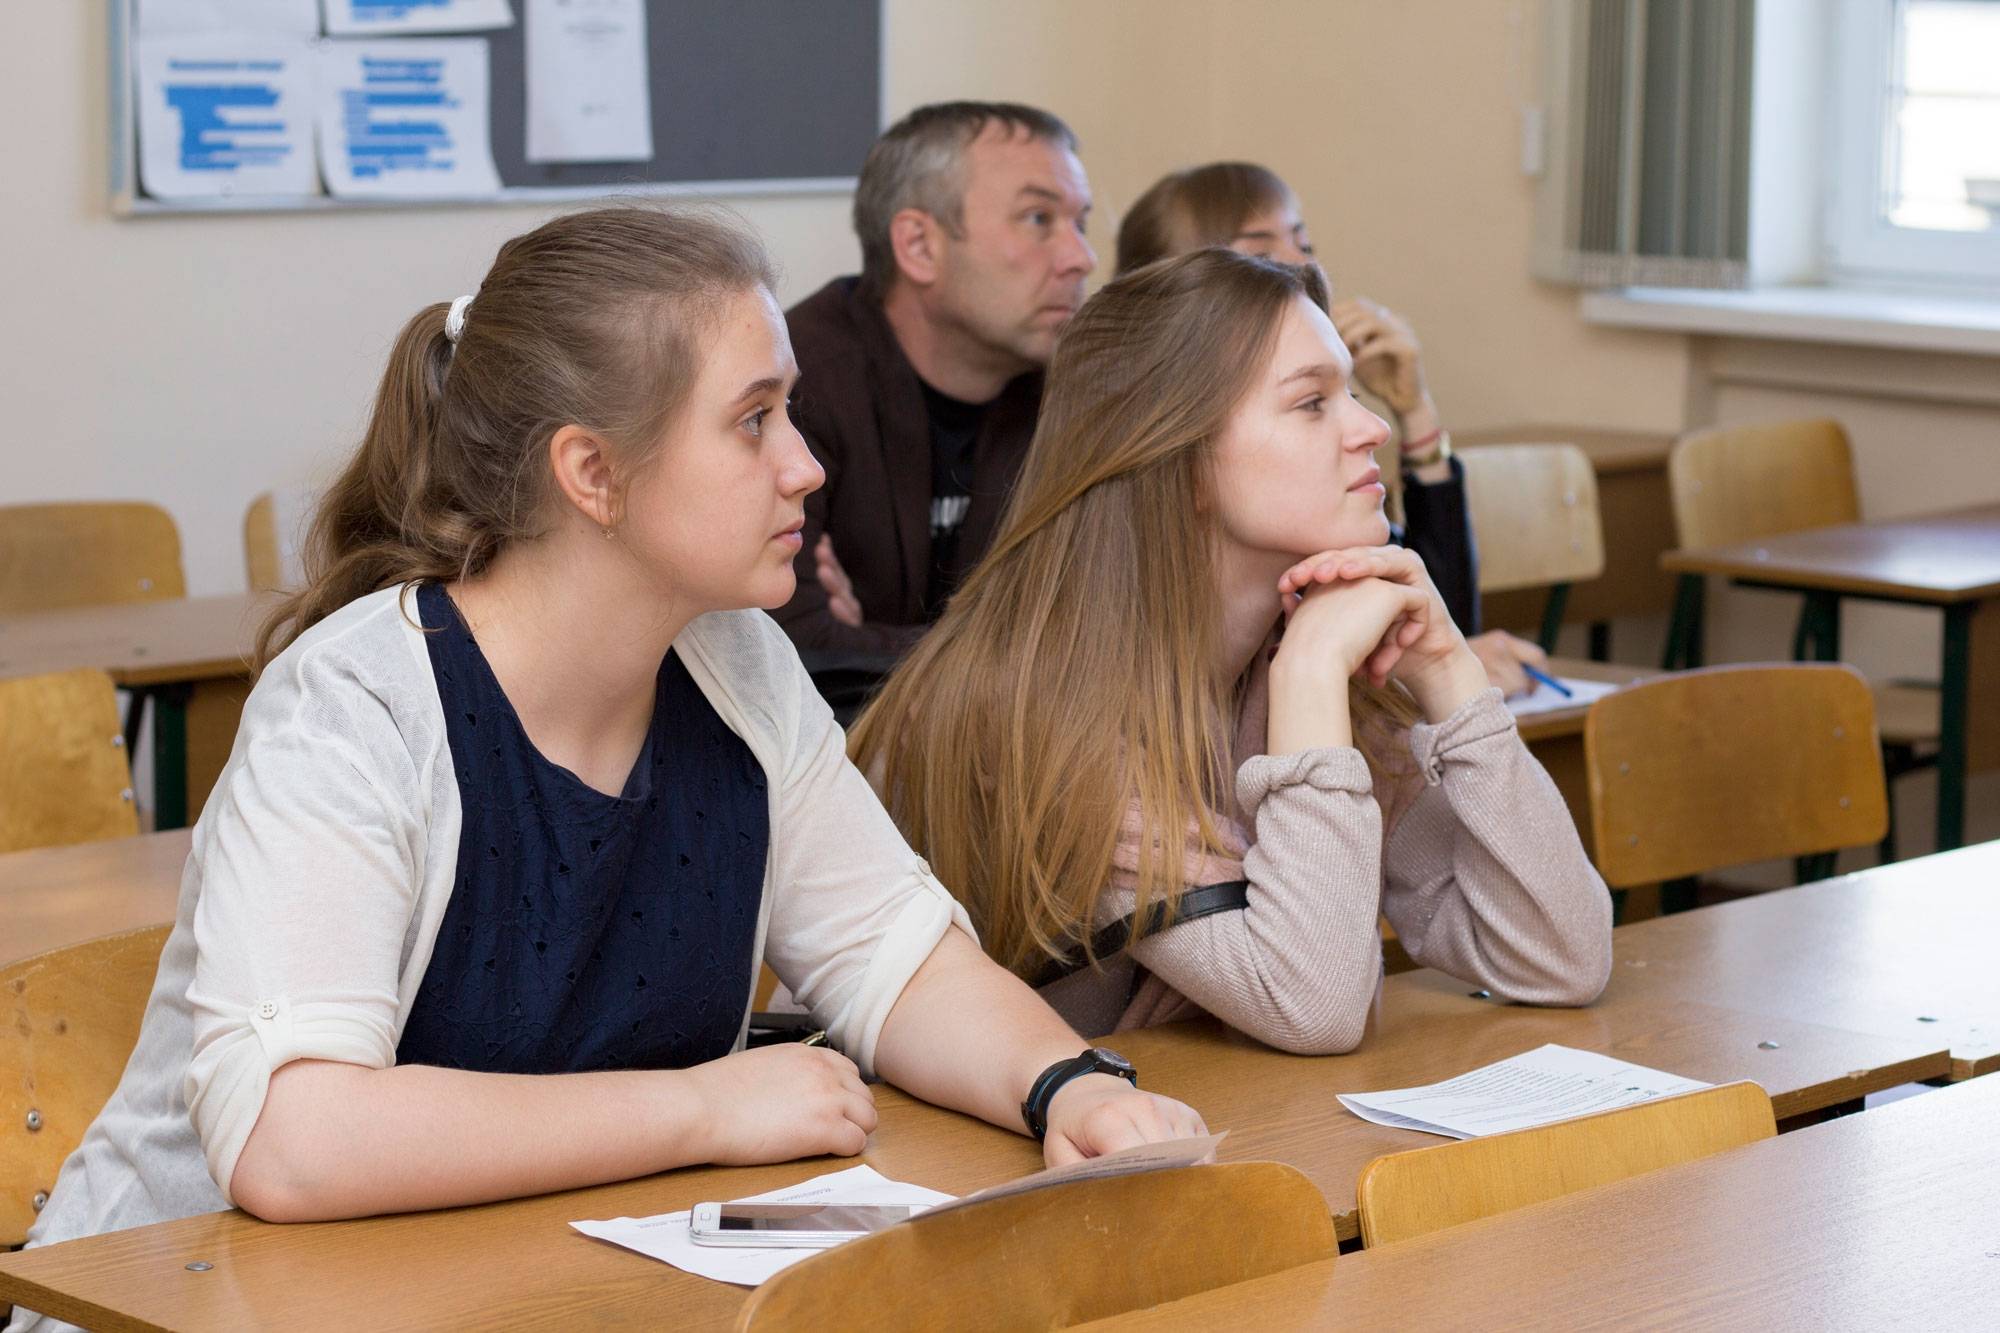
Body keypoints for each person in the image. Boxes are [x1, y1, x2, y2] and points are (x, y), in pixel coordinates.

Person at [9, 209, 1204, 1325]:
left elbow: (896, 962)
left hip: (498, 1289)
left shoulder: (734, 664)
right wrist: (698, 1107)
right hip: (175, 1302)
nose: (804, 465)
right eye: (752, 421)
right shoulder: (357, 704)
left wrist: (1072, 1088)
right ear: (591, 473)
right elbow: (295, 1140)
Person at [848, 249, 1611, 1054]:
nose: (1371, 427)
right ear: (1183, 463)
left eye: (1349, 391)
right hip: (946, 1162)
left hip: (1179, 1133)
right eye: (1312, 402)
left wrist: (1450, 675)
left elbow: (1562, 956)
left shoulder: (1292, 656)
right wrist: (1311, 679)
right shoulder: (1048, 712)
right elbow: (1311, 1006)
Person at [1116, 161, 1550, 696]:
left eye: (1305, 242)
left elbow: (1433, 615)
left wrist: (1413, 410)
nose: (1298, 265)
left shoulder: (1297, 486)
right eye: (1261, 253)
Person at [776, 100, 1094, 657]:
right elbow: (787, 652)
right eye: (1040, 219)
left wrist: (868, 641)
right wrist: (1004, 651)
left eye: (1081, 223)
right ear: (920, 246)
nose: (1082, 258)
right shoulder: (796, 381)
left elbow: (1096, 644)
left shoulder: (1077, 387)